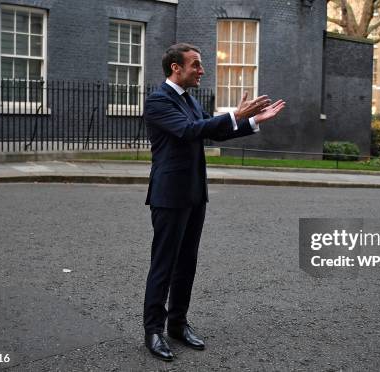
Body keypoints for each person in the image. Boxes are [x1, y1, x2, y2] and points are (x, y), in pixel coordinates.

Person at [142, 43, 285, 361]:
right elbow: (188, 131)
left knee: (187, 264)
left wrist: (253, 120)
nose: (202, 70)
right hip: (169, 196)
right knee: (163, 265)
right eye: (196, 64)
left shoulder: (189, 101)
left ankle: (178, 324)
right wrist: (234, 114)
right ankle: (154, 330)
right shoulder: (157, 101)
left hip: (194, 194)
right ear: (176, 68)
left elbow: (214, 132)